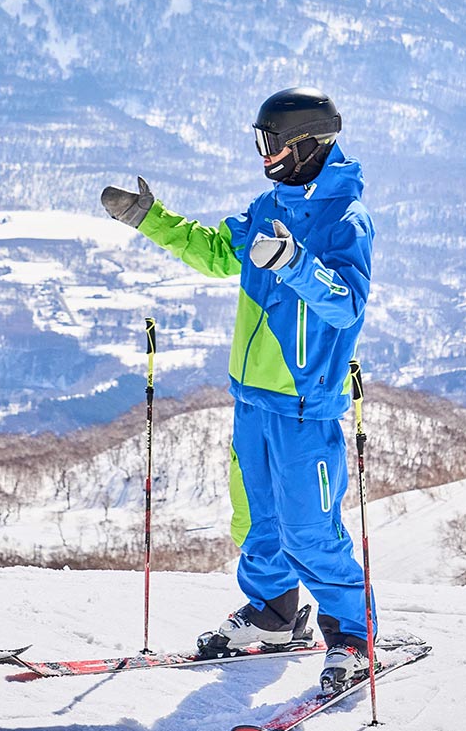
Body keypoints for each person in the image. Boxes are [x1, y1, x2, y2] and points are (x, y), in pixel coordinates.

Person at [100, 87, 376, 694]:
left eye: (273, 141)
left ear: (308, 143)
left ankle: (353, 637)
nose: (266, 152)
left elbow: (345, 303)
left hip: (305, 405)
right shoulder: (268, 203)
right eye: (261, 140)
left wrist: (293, 261)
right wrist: (152, 219)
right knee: (257, 523)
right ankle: (275, 617)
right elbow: (221, 253)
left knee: (309, 528)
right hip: (252, 398)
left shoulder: (345, 221)